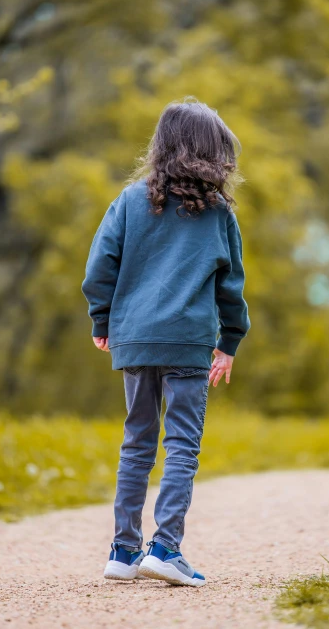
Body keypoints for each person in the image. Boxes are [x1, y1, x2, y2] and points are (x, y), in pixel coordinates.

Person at [82, 97, 250, 587]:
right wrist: (230, 341)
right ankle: (166, 547)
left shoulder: (130, 201)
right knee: (181, 445)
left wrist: (102, 320)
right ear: (212, 155)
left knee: (136, 442)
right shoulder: (218, 214)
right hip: (189, 344)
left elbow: (100, 268)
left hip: (135, 339)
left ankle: (123, 550)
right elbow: (231, 287)